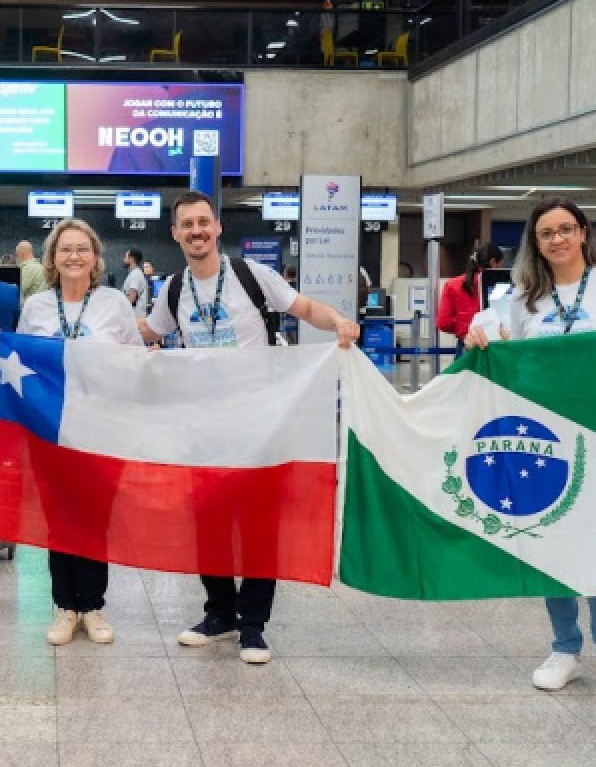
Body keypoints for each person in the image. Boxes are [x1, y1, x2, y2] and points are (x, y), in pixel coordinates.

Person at [139, 190, 359, 663]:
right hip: (202, 429)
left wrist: (339, 319)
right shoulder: (173, 288)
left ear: (218, 227)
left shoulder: (250, 276)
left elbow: (304, 308)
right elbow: (149, 333)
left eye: (203, 222)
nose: (196, 231)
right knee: (210, 524)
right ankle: (219, 613)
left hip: (260, 424)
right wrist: (91, 338)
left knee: (259, 526)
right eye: (187, 225)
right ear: (175, 234)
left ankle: (253, 625)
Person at [466, 198, 596, 694]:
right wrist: (480, 335)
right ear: (536, 242)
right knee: (553, 541)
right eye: (546, 233)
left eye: (565, 229)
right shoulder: (526, 298)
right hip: (547, 440)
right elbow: (495, 336)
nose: (557, 239)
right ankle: (564, 648)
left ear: (582, 233)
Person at [18, 218, 143, 646]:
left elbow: (136, 360)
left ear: (95, 257)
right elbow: (22, 362)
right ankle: (64, 607)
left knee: (94, 517)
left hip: (101, 429)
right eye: (65, 248)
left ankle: (92, 606)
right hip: (50, 429)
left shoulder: (113, 303)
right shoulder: (35, 306)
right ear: (52, 257)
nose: (73, 256)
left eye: (82, 249)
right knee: (58, 518)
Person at [436, 242, 504, 352]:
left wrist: (465, 329)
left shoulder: (452, 285)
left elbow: (443, 323)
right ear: (493, 262)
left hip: (466, 344)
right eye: (500, 265)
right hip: (497, 345)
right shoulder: (500, 286)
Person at [15, 239, 47, 304]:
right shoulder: (40, 267)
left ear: (21, 254)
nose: (16, 258)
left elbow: (17, 291)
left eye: (17, 255)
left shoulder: (27, 269)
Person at [122, 248, 149, 313]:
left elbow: (132, 298)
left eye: (126, 257)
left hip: (135, 316)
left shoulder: (135, 275)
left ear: (131, 259)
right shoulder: (135, 273)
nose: (124, 259)